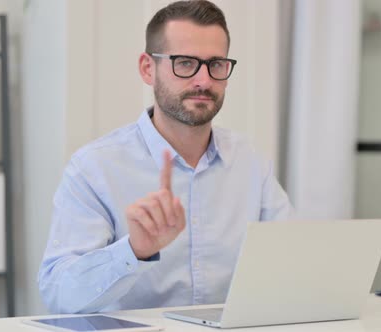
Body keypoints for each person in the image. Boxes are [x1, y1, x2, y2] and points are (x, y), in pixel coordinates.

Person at [38, 0, 293, 314]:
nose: (204, 80)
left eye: (216, 64)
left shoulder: (251, 163)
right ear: (148, 68)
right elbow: (58, 294)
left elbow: (292, 262)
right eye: (185, 63)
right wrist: (134, 251)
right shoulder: (94, 167)